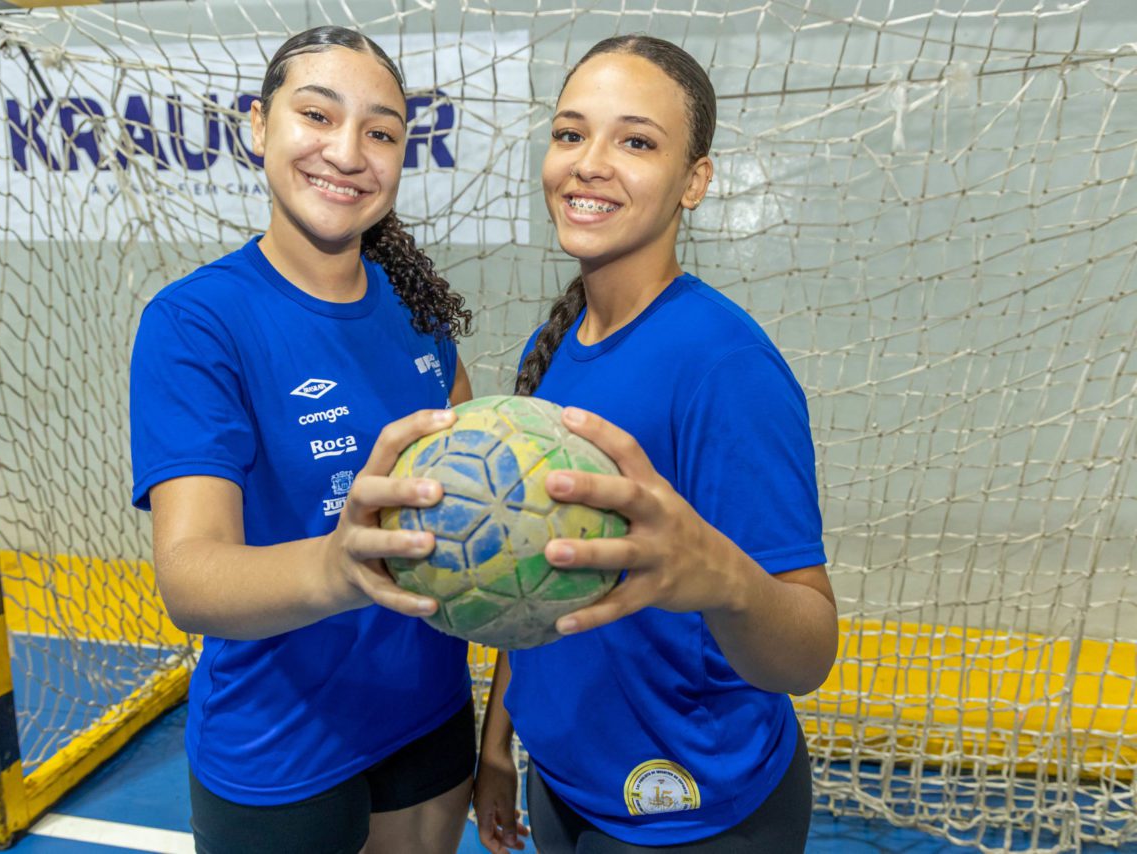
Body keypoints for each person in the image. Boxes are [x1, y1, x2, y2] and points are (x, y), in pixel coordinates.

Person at [473, 35, 838, 853]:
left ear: (694, 182)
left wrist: (725, 578)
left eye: (636, 141)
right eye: (571, 134)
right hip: (563, 780)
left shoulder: (724, 367)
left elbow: (809, 650)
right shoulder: (556, 339)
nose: (589, 163)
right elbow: (532, 571)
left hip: (694, 808)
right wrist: (499, 745)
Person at [129, 26, 477, 854]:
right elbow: (191, 579)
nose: (348, 152)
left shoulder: (417, 309)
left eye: (381, 132)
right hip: (278, 743)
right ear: (258, 126)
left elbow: (469, 491)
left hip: (429, 714)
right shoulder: (195, 323)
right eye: (317, 115)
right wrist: (339, 564)